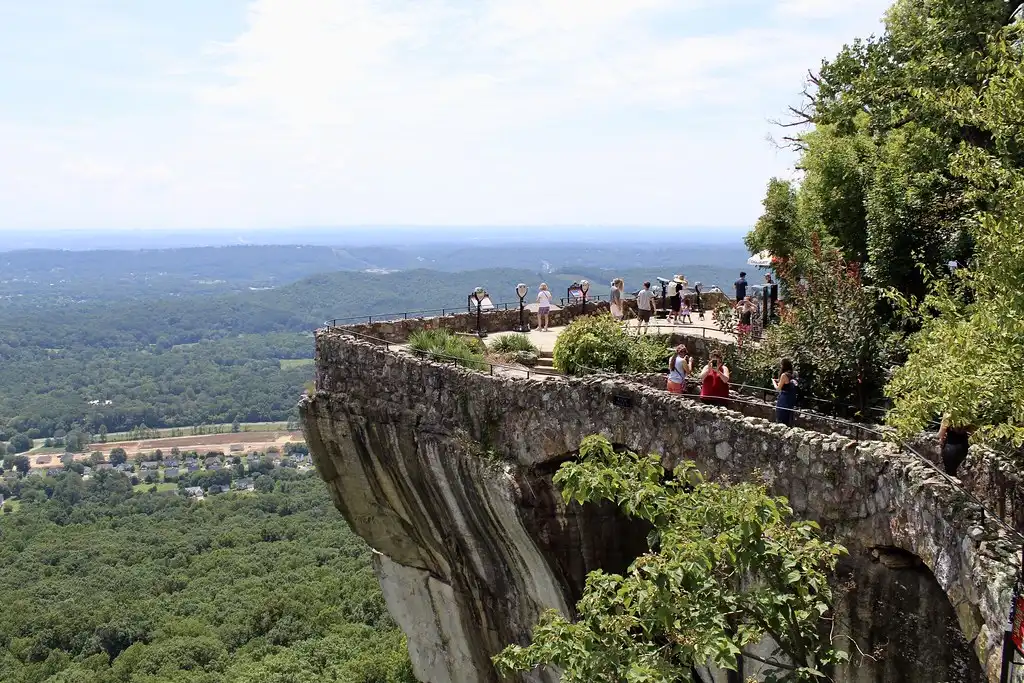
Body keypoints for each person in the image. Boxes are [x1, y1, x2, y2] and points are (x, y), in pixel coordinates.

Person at [772, 358, 798, 426]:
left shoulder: (784, 375)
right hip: (791, 398)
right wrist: (779, 380)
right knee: (788, 416)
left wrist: (773, 382)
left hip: (784, 398)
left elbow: (778, 389)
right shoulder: (794, 374)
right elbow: (787, 383)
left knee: (781, 416)